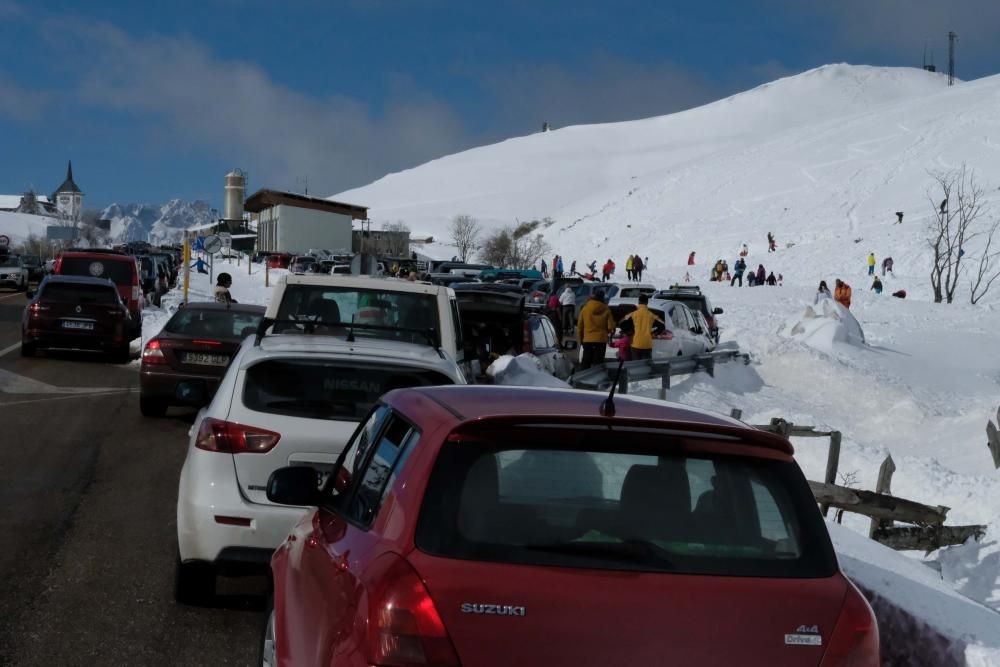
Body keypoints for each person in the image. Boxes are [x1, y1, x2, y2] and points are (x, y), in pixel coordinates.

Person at [577, 289, 615, 370]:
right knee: (598, 364)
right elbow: (610, 327)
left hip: (587, 340)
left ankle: (583, 380)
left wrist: (581, 340)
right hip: (601, 340)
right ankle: (597, 380)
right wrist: (605, 332)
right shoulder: (606, 309)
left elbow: (580, 326)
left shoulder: (585, 308)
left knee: (585, 362)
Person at [620, 294, 665, 361]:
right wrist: (654, 333)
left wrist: (629, 332)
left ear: (638, 302)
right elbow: (662, 325)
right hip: (647, 344)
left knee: (636, 365)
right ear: (647, 303)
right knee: (646, 365)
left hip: (635, 343)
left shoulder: (633, 314)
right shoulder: (651, 315)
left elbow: (621, 323)